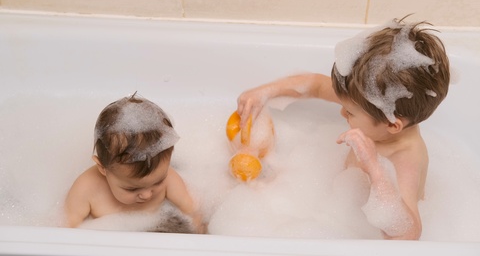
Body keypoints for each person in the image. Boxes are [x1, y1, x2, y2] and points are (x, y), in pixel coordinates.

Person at [236, 16, 450, 240]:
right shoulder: (368, 101)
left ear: (391, 124)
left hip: (355, 230)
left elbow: (408, 234)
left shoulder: (405, 160)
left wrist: (376, 170)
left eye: (350, 113)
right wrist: (265, 92)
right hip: (336, 198)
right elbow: (316, 85)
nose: (342, 112)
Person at [65, 93, 204, 233]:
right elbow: (66, 230)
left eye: (157, 182)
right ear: (102, 168)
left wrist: (200, 233)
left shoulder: (169, 178)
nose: (147, 195)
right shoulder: (86, 190)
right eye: (132, 189)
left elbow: (193, 213)